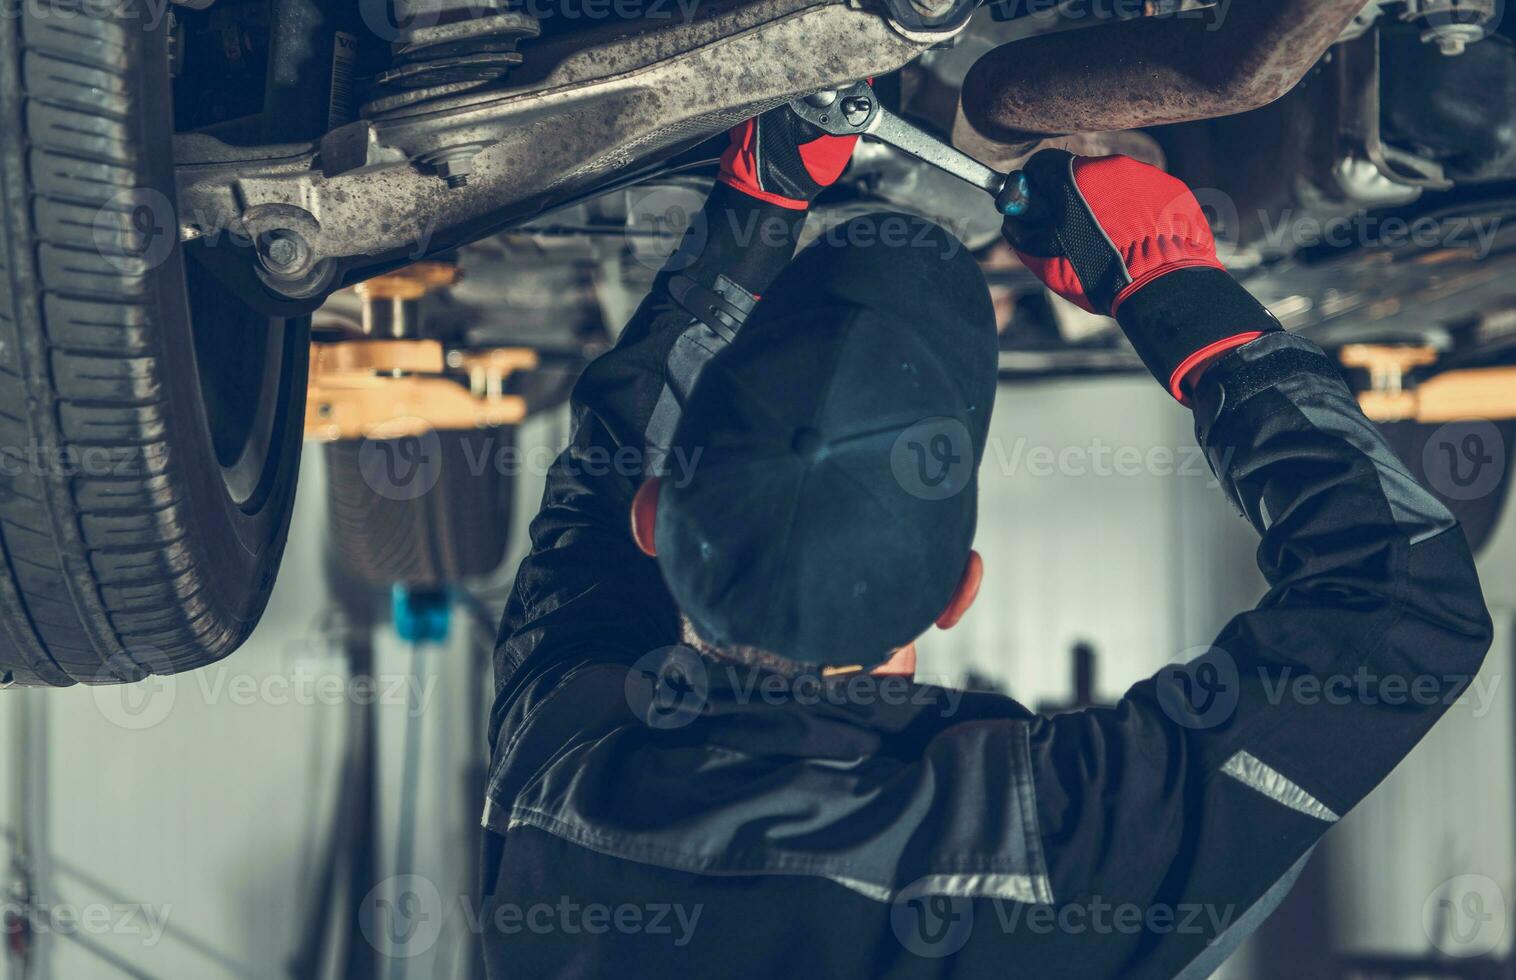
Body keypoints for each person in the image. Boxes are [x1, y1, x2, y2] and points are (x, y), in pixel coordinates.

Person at [476, 105, 1493, 978]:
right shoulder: (550, 771)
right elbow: (606, 472)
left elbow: (1403, 614)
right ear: (956, 589)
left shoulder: (1061, 851)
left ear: (962, 589)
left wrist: (1179, 296)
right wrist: (758, 199)